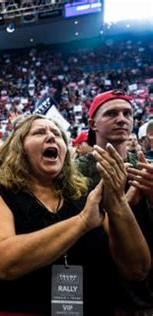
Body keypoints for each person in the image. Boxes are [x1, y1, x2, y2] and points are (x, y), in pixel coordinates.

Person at [0, 114, 150, 314]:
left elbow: (137, 269)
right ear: (18, 149)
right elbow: (0, 262)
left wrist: (118, 203)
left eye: (57, 134)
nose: (51, 137)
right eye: (39, 132)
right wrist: (82, 222)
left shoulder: (85, 196)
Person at [78, 90, 153, 313]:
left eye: (127, 113)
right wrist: (127, 200)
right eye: (112, 113)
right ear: (93, 124)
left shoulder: (147, 168)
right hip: (96, 285)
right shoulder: (74, 172)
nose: (122, 119)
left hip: (143, 290)